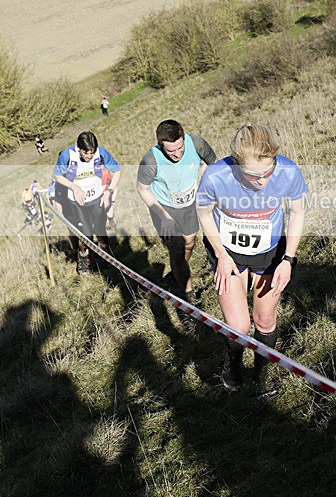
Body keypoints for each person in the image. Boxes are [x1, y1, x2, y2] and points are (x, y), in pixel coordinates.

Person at [197, 124, 306, 399]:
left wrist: (288, 259)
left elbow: (297, 212)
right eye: (252, 175)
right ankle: (232, 364)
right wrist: (221, 255)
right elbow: (204, 213)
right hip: (228, 254)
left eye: (267, 172)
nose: (261, 181)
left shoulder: (288, 171)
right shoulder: (216, 176)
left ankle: (261, 376)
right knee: (238, 326)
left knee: (265, 320)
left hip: (270, 253)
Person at [137, 119, 217, 304]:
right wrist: (164, 217)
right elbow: (142, 189)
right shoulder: (150, 160)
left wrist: (207, 174)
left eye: (180, 148)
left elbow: (215, 165)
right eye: (171, 151)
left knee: (189, 244)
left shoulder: (196, 144)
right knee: (177, 248)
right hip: (164, 209)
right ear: (160, 144)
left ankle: (176, 276)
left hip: (189, 204)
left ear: (183, 138)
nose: (177, 154)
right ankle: (188, 293)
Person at [52, 132, 121, 272]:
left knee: (101, 232)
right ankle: (83, 260)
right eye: (85, 153)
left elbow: (117, 170)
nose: (89, 156)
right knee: (85, 235)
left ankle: (105, 260)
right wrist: (73, 186)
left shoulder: (101, 152)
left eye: (92, 152)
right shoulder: (67, 155)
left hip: (96, 199)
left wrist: (109, 192)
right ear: (79, 148)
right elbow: (56, 175)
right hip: (77, 202)